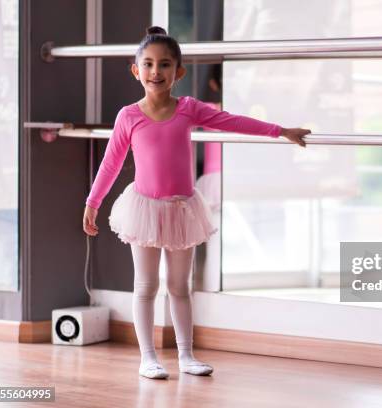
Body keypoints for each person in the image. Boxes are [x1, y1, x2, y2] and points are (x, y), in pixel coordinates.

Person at [82, 26, 310, 380]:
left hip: (182, 209)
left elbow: (233, 121)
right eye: (149, 64)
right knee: (145, 286)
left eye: (165, 64)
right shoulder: (129, 116)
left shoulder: (188, 109)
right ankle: (148, 358)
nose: (156, 72)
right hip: (144, 209)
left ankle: (186, 355)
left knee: (179, 286)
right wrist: (93, 202)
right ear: (136, 70)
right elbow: (111, 163)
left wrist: (280, 130)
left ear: (179, 72)